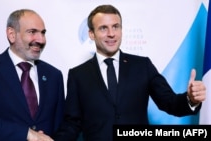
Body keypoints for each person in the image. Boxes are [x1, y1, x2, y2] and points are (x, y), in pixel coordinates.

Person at [54, 4, 206, 141]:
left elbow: (170, 102)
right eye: (103, 28)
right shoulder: (78, 75)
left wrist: (190, 100)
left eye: (116, 26)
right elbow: (72, 123)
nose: (111, 33)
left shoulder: (142, 66)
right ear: (91, 34)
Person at [0, 9, 65, 141]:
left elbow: (60, 125)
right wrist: (27, 134)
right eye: (32, 32)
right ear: (12, 34)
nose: (41, 39)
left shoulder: (53, 75)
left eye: (43, 33)